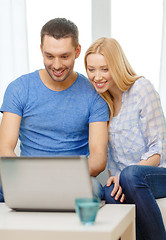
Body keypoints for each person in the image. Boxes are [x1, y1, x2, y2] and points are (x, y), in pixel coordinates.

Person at [0, 18, 109, 201]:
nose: (57, 65)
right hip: (27, 179)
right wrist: (29, 178)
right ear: (41, 50)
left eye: (64, 56)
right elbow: (5, 147)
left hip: (76, 181)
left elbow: (98, 158)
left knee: (93, 190)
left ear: (77, 51)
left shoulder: (94, 94)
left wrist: (61, 178)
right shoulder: (19, 88)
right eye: (49, 56)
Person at [84, 37, 166, 240]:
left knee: (130, 175)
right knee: (110, 191)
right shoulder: (102, 102)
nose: (97, 76)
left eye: (104, 69)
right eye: (91, 69)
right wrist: (117, 178)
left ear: (118, 66)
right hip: (128, 180)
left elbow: (158, 149)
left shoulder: (142, 89)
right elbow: (114, 159)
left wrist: (126, 175)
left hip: (156, 174)